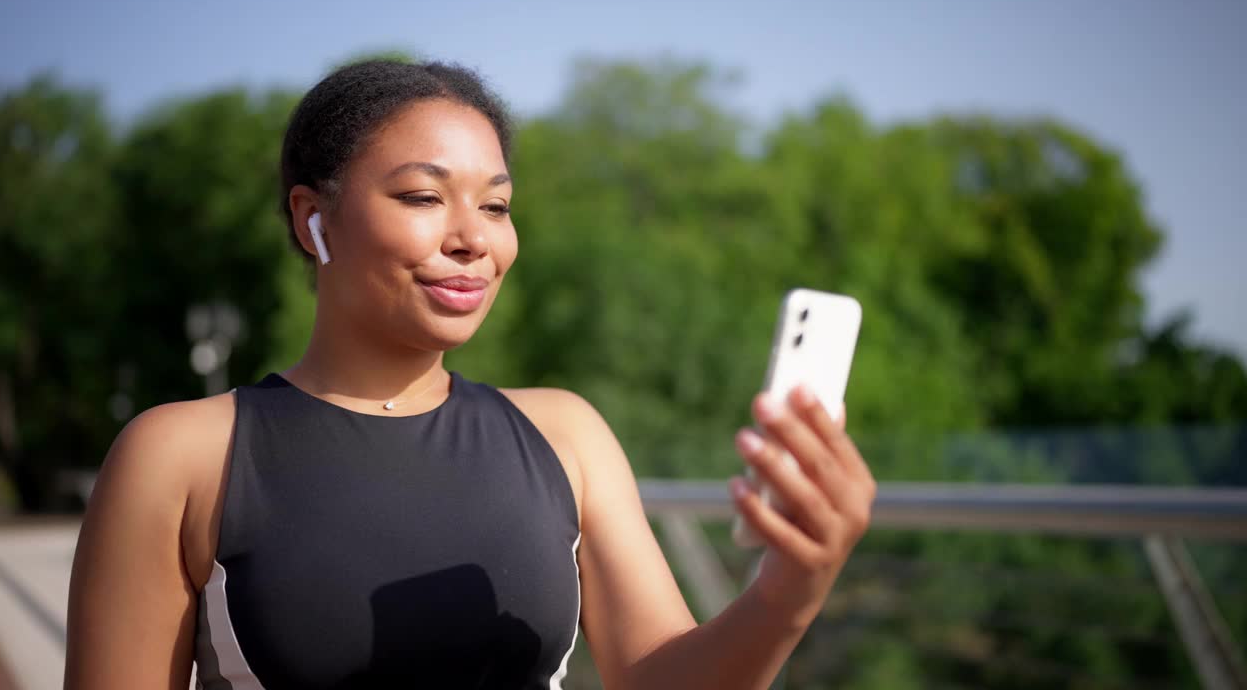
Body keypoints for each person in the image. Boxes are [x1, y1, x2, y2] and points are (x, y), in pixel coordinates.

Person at [64, 59, 877, 690]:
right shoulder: (179, 455)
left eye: (495, 205)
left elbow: (662, 678)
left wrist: (789, 590)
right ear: (313, 220)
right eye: (423, 196)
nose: (472, 239)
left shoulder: (565, 435)